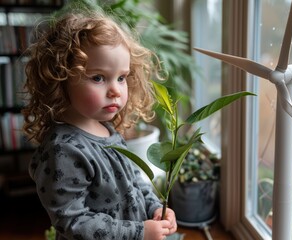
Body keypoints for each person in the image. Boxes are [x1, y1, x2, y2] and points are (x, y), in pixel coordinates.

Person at [22, 9, 177, 240]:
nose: (115, 90)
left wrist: (154, 208)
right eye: (98, 77)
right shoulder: (63, 150)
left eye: (121, 77)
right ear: (60, 79)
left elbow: (134, 180)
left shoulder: (107, 130)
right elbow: (73, 223)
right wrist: (139, 232)